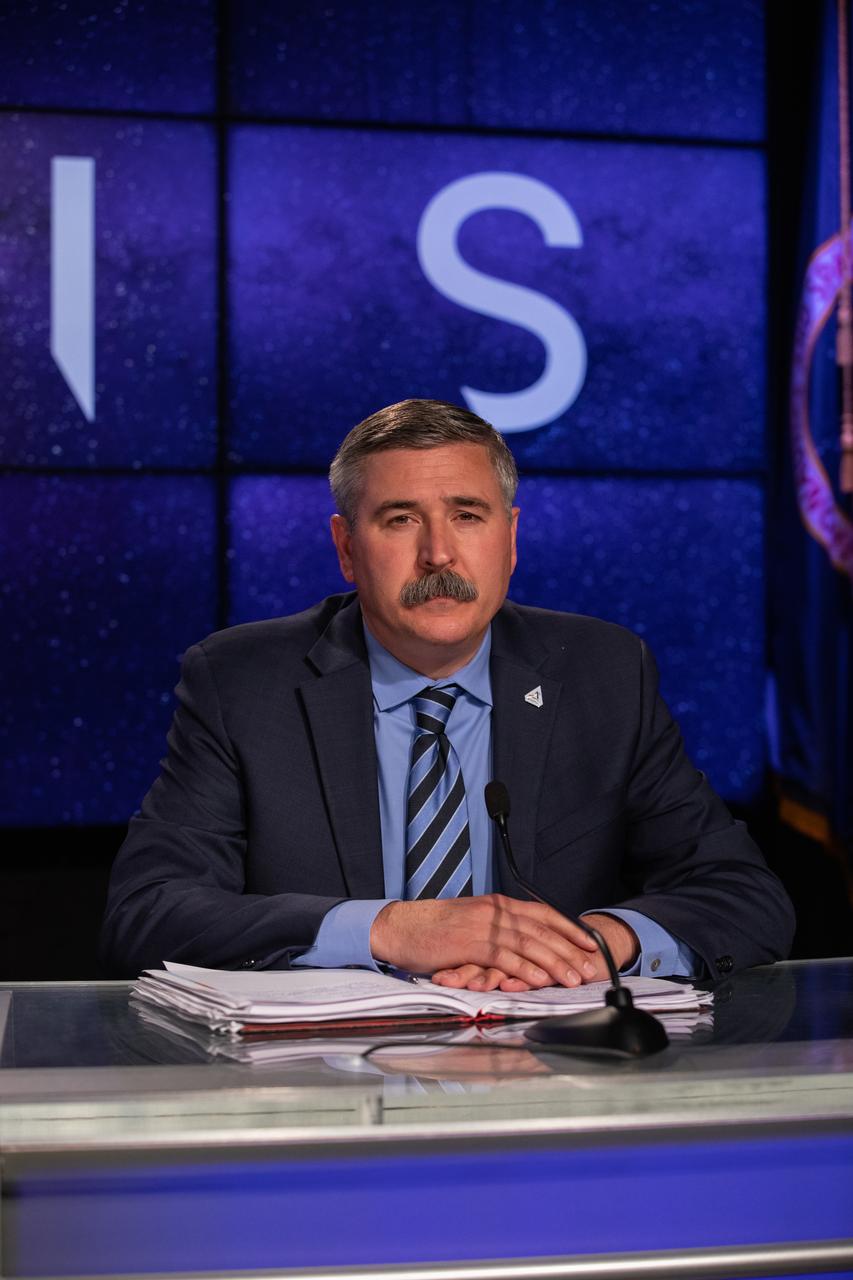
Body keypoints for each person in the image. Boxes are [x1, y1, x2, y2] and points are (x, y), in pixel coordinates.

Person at [100, 399, 795, 986]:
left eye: (467, 515)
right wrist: (389, 929)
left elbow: (744, 897)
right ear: (345, 548)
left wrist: (591, 944)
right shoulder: (242, 681)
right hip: (328, 1093)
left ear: (510, 538)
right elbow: (148, 910)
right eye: (400, 519)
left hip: (547, 1085)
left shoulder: (603, 672)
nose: (438, 554)